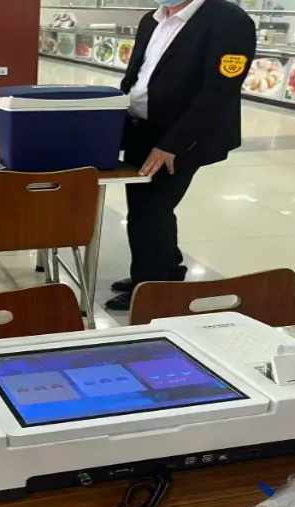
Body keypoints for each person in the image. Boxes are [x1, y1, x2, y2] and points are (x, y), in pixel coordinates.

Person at [105, 0, 255, 311]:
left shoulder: (228, 20)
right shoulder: (152, 19)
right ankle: (168, 270)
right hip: (141, 128)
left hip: (180, 138)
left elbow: (220, 91)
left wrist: (173, 144)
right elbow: (139, 74)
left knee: (150, 211)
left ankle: (150, 288)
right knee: (148, 207)